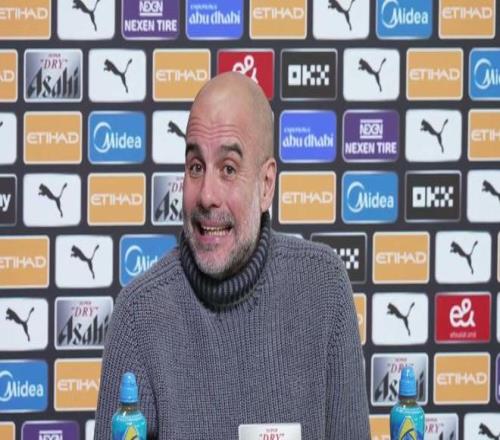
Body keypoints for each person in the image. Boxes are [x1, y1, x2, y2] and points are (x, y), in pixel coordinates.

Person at [94, 72, 370, 439]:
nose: (207, 195)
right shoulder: (139, 316)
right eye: (196, 167)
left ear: (266, 185)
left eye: (228, 169)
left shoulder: (322, 287)